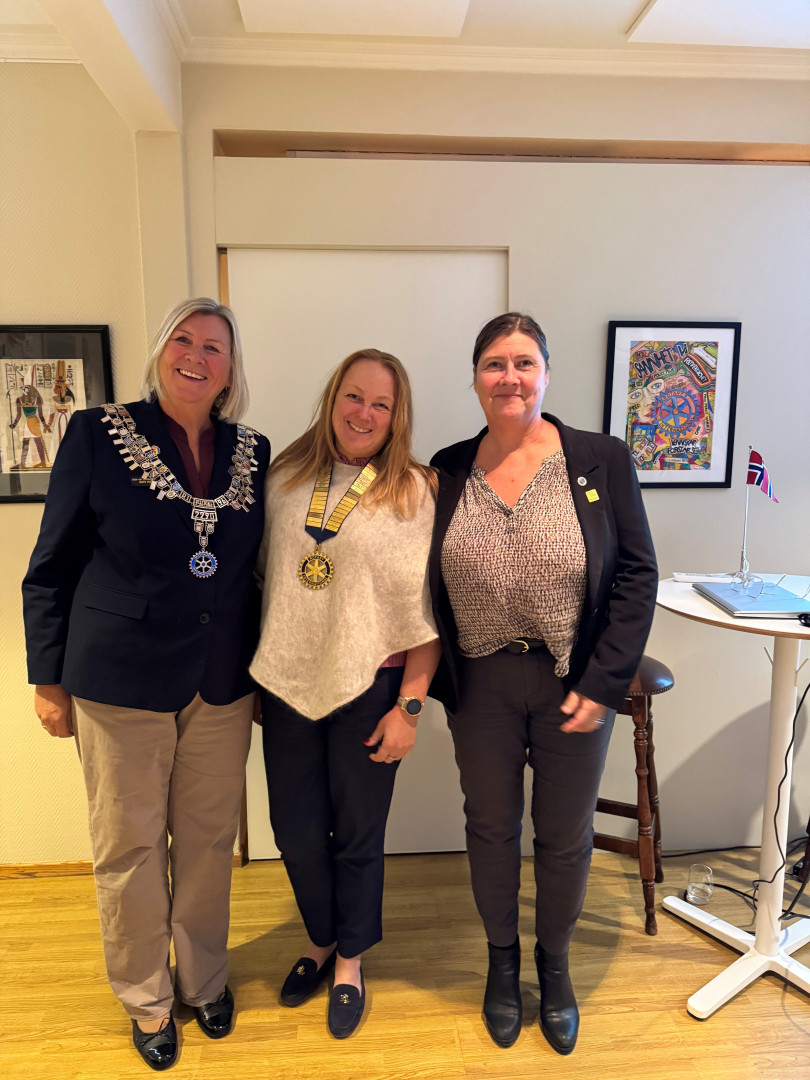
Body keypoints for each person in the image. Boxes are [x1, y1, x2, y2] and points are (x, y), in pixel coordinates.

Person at [23, 298, 271, 1071]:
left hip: (220, 680)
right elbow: (51, 566)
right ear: (161, 350)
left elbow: (254, 570)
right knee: (128, 847)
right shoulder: (96, 433)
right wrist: (47, 679)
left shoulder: (252, 450)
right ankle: (147, 999)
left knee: (208, 843)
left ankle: (204, 980)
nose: (197, 357)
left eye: (214, 347)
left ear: (231, 369)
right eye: (183, 341)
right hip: (118, 678)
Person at [428, 312, 657, 1054]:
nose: (510, 378)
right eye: (494, 364)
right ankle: (502, 963)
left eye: (524, 363)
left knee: (563, 836)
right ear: (475, 378)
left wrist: (605, 680)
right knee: (491, 827)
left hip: (574, 682)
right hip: (480, 684)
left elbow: (636, 575)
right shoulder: (447, 467)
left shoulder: (600, 460)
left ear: (547, 374)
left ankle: (553, 967)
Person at [251, 348, 440, 1040]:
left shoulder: (415, 491)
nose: (364, 413)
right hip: (287, 685)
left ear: (396, 417)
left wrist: (409, 708)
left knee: (359, 835)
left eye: (380, 404)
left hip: (372, 685)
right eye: (354, 397)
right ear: (333, 399)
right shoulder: (283, 478)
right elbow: (259, 584)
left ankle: (350, 961)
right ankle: (321, 936)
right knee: (296, 833)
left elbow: (425, 612)